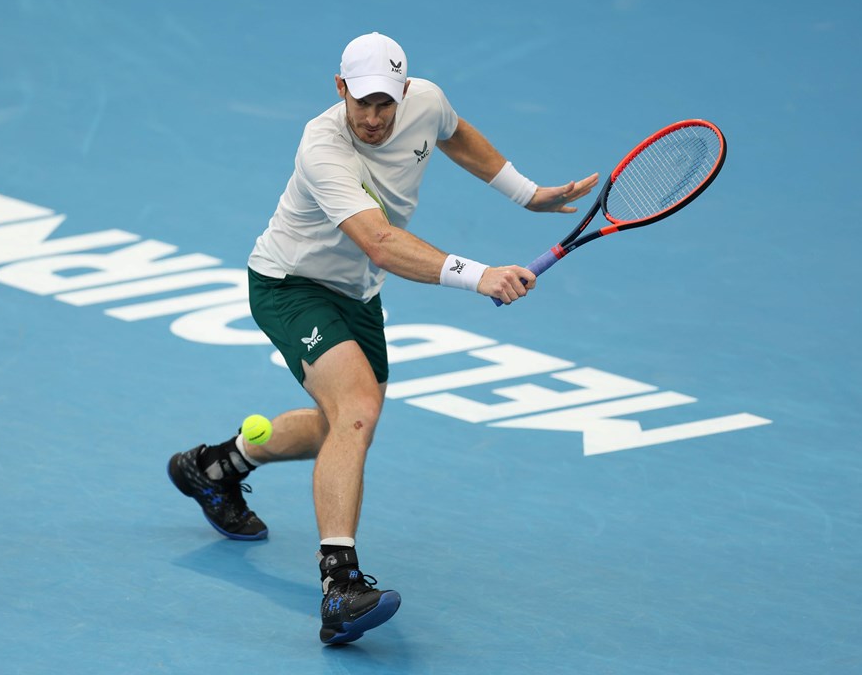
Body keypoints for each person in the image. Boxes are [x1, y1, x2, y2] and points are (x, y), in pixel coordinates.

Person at [168, 32, 597, 645]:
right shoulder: (322, 146)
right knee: (359, 410)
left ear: (403, 93)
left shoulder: (426, 101)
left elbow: (455, 134)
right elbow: (382, 242)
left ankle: (215, 466)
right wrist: (482, 277)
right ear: (340, 89)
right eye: (360, 102)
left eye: (385, 105)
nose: (372, 118)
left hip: (357, 294)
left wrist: (526, 194)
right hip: (290, 284)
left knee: (339, 425)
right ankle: (339, 586)